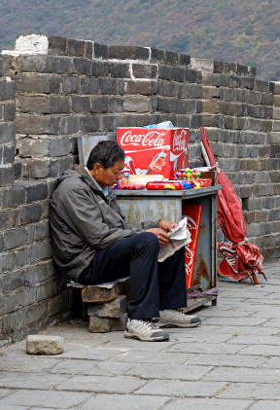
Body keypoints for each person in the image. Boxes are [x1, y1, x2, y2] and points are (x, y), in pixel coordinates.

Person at [49, 140, 200, 341]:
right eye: (116, 172)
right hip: (85, 263)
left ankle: (165, 308)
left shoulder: (103, 187)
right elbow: (98, 237)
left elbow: (122, 227)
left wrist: (157, 224)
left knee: (170, 237)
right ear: (97, 168)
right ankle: (138, 320)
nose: (119, 177)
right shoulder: (73, 189)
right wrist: (146, 235)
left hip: (102, 252)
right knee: (146, 241)